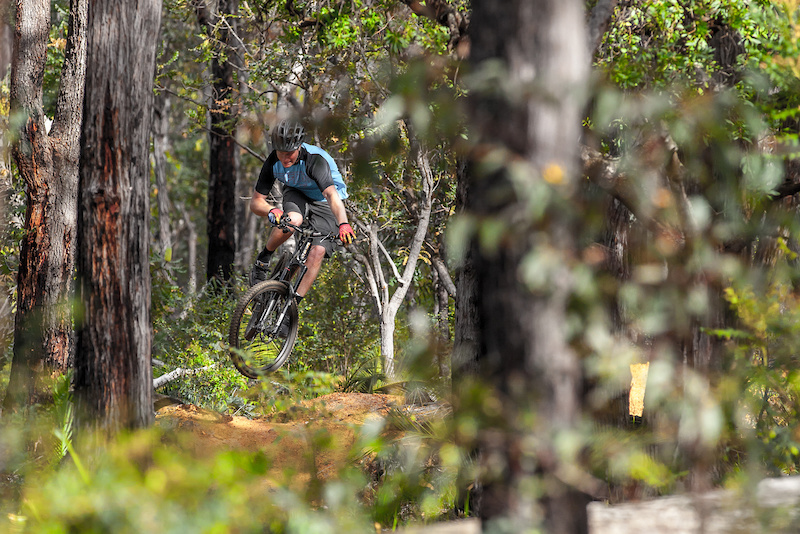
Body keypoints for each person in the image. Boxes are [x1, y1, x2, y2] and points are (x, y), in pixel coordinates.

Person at [249, 118, 355, 309]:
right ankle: (262, 261)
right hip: (296, 192)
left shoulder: (315, 160)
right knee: (291, 221)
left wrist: (343, 223)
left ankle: (292, 309)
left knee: (318, 251)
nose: (285, 159)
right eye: (281, 153)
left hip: (325, 201)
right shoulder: (273, 161)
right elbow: (256, 203)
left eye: (290, 153)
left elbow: (331, 195)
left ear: (299, 147)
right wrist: (272, 210)